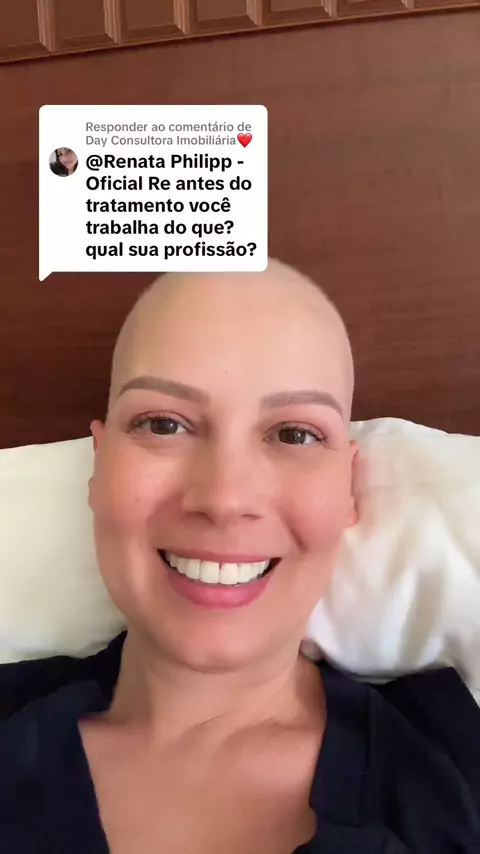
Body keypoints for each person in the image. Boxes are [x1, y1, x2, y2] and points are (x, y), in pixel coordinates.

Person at [0, 261, 479, 854]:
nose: (225, 499)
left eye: (295, 434)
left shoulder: (456, 773)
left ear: (348, 487)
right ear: (99, 465)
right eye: (162, 424)